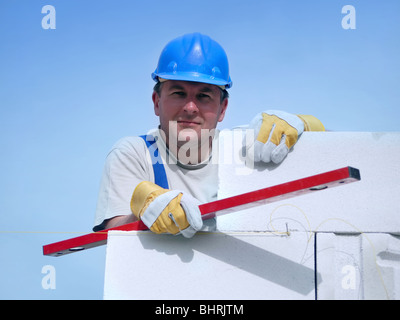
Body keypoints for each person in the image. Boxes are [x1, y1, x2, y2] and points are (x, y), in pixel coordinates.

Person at [93, 32, 324, 237]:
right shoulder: (135, 153)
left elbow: (342, 155)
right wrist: (141, 215)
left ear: (222, 109)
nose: (190, 107)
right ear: (156, 102)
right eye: (178, 93)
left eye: (204, 96)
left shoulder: (246, 147)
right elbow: (111, 238)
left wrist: (306, 125)